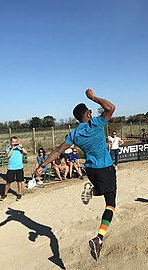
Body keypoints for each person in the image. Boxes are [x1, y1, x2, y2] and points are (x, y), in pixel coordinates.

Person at [36, 88, 116, 261]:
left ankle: (92, 189)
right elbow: (111, 108)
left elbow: (57, 151)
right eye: (90, 111)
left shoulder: (73, 134)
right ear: (87, 113)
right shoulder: (96, 123)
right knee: (110, 204)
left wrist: (42, 165)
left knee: (101, 189)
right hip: (105, 167)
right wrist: (94, 97)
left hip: (90, 170)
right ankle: (99, 239)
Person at [0, 136, 28, 201]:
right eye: (13, 142)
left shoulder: (20, 149)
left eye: (16, 142)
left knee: (19, 181)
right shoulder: (8, 149)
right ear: (10, 142)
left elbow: (26, 152)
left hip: (19, 167)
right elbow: (8, 156)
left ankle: (19, 194)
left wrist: (21, 147)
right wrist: (12, 148)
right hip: (11, 168)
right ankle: (5, 194)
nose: (14, 143)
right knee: (8, 182)